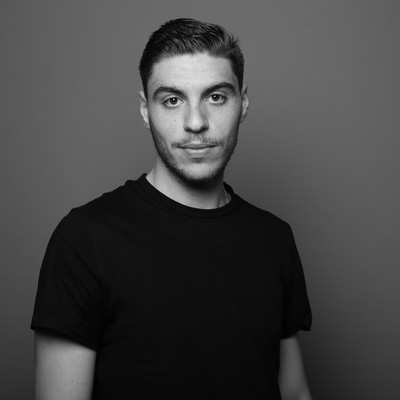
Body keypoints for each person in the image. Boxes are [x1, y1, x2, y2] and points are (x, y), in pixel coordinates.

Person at [31, 18, 313, 400]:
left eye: (216, 97)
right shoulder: (85, 239)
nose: (195, 122)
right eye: (172, 100)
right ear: (145, 109)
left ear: (243, 102)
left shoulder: (274, 238)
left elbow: (294, 391)